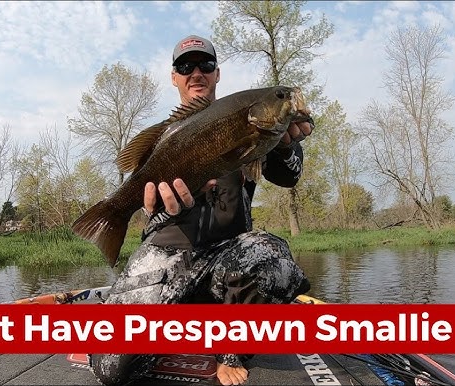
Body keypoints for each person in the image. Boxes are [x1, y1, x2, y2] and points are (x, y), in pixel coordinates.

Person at [89, 34, 314, 386]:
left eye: (205, 65)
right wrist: (152, 209)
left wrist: (287, 143)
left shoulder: (251, 124)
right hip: (166, 255)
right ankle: (167, 314)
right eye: (185, 66)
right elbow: (144, 182)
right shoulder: (170, 135)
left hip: (228, 262)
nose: (196, 72)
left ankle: (229, 348)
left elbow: (288, 176)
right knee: (111, 367)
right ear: (174, 76)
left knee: (276, 261)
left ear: (217, 74)